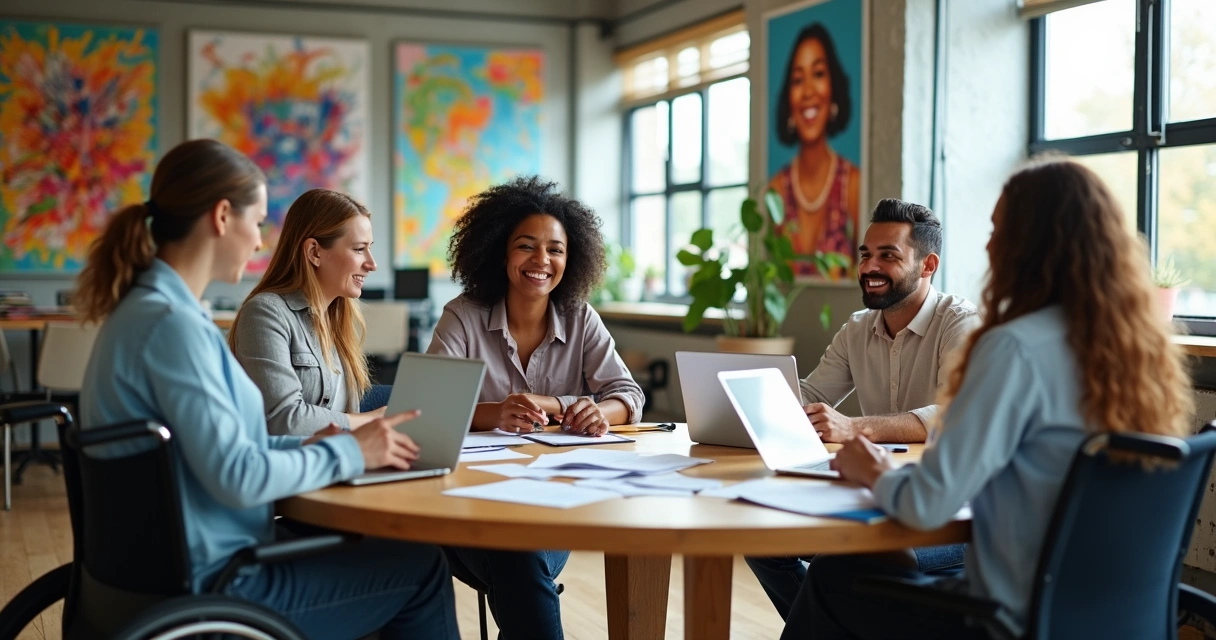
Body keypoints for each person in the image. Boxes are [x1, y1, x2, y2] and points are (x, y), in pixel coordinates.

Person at [781, 158, 1195, 640]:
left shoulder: (1013, 347)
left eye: (999, 228)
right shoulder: (1132, 347)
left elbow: (927, 504)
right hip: (1105, 613)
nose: (989, 243)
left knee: (836, 577)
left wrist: (871, 469)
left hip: (1006, 616)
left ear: (1034, 245)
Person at [75, 139, 458, 639]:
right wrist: (346, 452)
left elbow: (233, 445)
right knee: (421, 568)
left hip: (156, 566)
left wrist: (314, 445)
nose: (258, 242)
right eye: (255, 223)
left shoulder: (149, 313)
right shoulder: (174, 327)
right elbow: (238, 473)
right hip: (215, 580)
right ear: (221, 217)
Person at [427, 175, 645, 640]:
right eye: (526, 246)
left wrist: (591, 411)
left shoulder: (581, 317)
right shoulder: (462, 316)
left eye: (556, 249)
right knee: (517, 555)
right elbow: (428, 407)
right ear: (500, 251)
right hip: (471, 502)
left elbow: (628, 395)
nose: (542, 261)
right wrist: (494, 412)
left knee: (520, 559)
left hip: (555, 501)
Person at [746, 198, 978, 620]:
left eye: (888, 256)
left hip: (947, 509)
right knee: (763, 541)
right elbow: (812, 392)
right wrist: (751, 401)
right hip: (874, 496)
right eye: (866, 254)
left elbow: (951, 416)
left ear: (927, 266)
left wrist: (854, 428)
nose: (870, 267)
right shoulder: (857, 328)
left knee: (844, 562)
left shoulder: (960, 324)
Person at [228, 188, 390, 436]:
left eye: (369, 248)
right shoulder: (265, 313)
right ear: (314, 252)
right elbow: (285, 420)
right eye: (359, 249)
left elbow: (345, 408)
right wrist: (367, 421)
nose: (372, 264)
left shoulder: (336, 317)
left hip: (340, 460)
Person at [769, 22, 862, 279]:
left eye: (819, 74)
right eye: (798, 80)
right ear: (788, 97)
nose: (808, 91)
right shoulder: (774, 190)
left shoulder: (853, 185)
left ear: (833, 88)